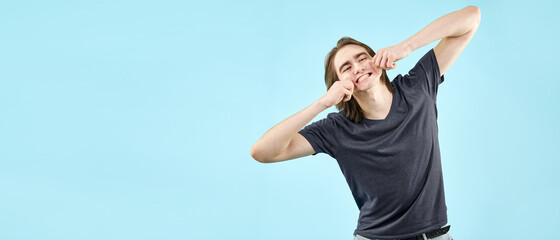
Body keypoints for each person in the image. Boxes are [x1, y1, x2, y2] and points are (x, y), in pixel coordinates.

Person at [251, 6, 481, 240]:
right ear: (338, 83)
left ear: (377, 62)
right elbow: (262, 152)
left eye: (362, 58)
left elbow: (471, 17)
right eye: (346, 68)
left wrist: (406, 46)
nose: (358, 67)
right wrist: (322, 103)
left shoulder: (417, 87)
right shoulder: (336, 129)